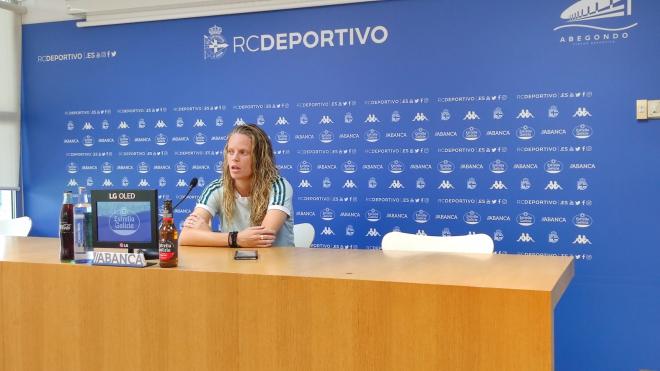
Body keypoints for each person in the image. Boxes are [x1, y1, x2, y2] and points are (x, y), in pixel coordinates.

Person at [179, 124, 294, 247]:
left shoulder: (279, 186)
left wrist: (207, 235)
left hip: (275, 264)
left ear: (260, 157)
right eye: (230, 152)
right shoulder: (216, 188)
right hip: (233, 265)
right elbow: (185, 237)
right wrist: (235, 239)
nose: (234, 158)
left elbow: (262, 238)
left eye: (243, 152)